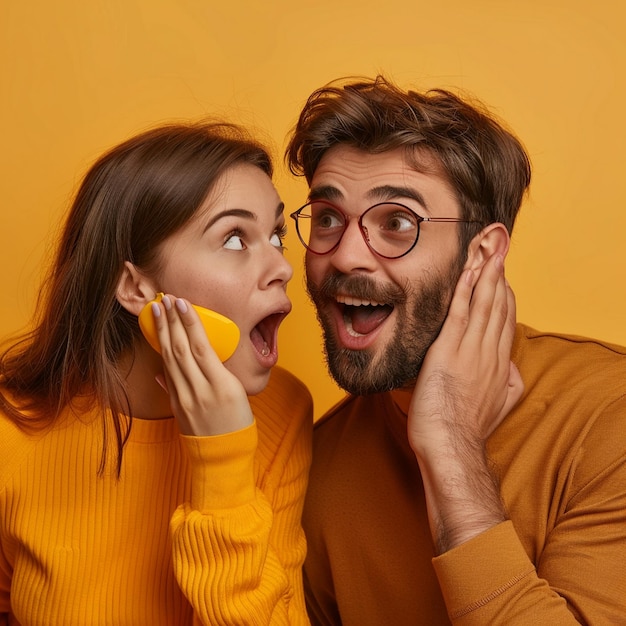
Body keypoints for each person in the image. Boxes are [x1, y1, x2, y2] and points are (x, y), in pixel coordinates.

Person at [286, 76, 626, 624]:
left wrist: (449, 443)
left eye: (397, 223)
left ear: (481, 254)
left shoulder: (611, 416)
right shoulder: (312, 470)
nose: (346, 256)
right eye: (327, 218)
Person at [0, 122, 313, 625]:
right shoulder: (12, 433)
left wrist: (223, 462)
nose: (283, 266)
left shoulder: (282, 413)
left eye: (275, 234)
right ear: (137, 288)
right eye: (235, 239)